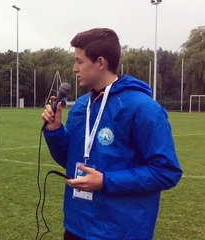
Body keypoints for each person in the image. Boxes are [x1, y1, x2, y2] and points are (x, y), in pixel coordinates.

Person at [41, 28, 182, 240]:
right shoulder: (81, 106)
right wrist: (55, 132)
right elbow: (71, 161)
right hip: (77, 227)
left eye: (79, 61)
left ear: (100, 62)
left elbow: (166, 172)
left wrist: (106, 181)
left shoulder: (143, 108)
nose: (74, 68)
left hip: (121, 231)